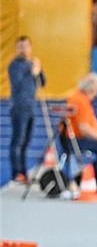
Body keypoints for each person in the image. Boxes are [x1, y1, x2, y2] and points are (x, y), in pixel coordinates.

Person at [65, 73, 97, 196]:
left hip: (73, 138)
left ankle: (84, 177)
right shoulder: (81, 101)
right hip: (74, 140)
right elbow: (84, 129)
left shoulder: (81, 98)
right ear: (92, 88)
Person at [7, 36, 45, 183]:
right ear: (17, 49)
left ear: (30, 47)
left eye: (26, 46)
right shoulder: (14, 65)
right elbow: (18, 83)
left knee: (26, 141)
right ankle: (16, 173)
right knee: (17, 141)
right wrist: (32, 72)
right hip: (19, 107)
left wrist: (39, 71)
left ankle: (23, 172)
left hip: (31, 107)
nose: (23, 49)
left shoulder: (32, 63)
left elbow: (41, 83)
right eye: (20, 47)